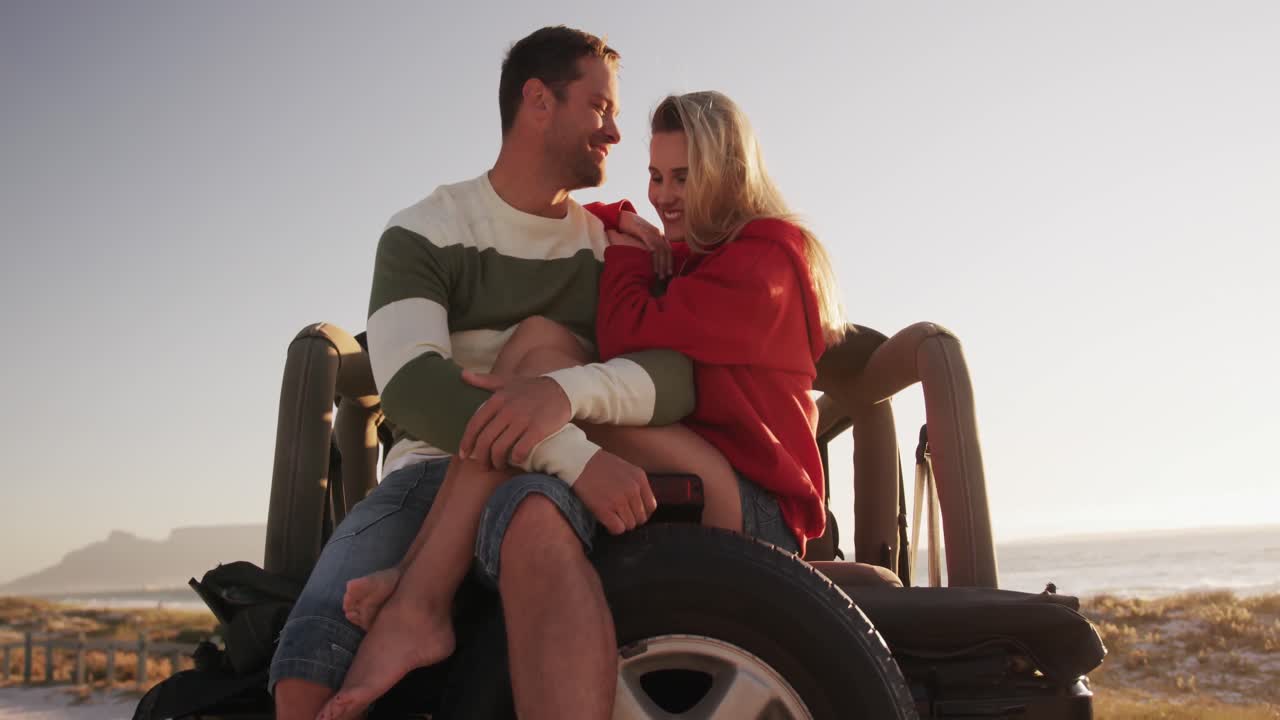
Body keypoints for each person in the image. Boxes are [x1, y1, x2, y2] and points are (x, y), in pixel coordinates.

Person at [270, 26, 697, 720]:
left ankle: (417, 600)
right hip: (439, 476)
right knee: (308, 675)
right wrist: (568, 450)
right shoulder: (426, 229)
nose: (616, 131)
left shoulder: (612, 247)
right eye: (599, 107)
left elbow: (675, 375)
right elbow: (413, 387)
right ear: (538, 100)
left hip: (555, 481)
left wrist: (561, 408)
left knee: (543, 355)